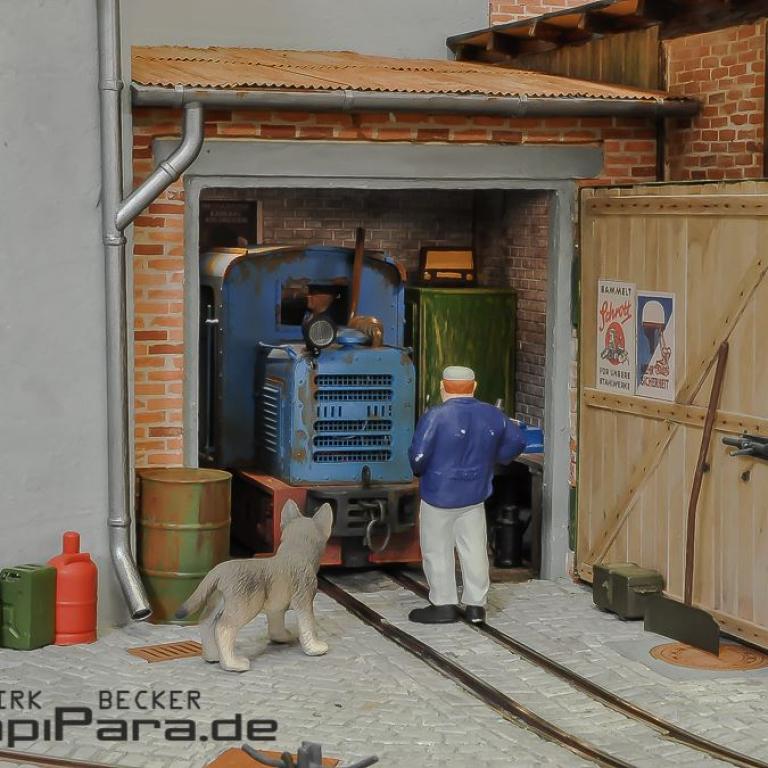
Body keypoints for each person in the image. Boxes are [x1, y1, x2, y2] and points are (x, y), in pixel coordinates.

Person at [408, 366, 526, 624]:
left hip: (438, 496)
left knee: (437, 549)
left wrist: (420, 470)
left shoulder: (435, 416)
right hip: (474, 496)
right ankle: (476, 605)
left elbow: (418, 458)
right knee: (474, 549)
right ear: (474, 387)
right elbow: (517, 442)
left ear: (443, 387)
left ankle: (444, 603)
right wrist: (495, 457)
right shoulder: (492, 414)